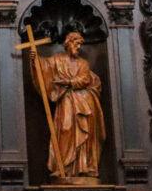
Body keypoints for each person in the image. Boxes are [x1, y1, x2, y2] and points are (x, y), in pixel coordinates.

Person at [28, 31, 106, 180]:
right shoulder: (58, 60)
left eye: (80, 44)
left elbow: (84, 79)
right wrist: (35, 60)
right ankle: (63, 167)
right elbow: (45, 66)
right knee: (65, 129)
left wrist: (68, 82)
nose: (78, 47)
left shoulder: (83, 63)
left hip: (83, 101)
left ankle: (83, 166)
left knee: (85, 134)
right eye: (76, 43)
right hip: (66, 101)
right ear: (68, 44)